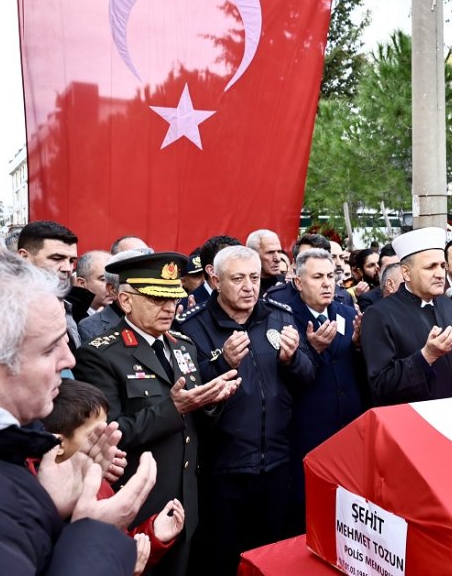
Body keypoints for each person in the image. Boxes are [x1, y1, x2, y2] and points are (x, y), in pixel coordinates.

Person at [0, 250, 154, 575]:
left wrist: (52, 508)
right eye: (49, 349)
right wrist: (95, 533)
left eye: (64, 342)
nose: (69, 361)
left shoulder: (11, 451)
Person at [73, 252, 241, 576]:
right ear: (125, 300)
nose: (169, 308)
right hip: (139, 505)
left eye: (174, 298)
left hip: (188, 497)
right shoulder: (100, 355)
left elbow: (194, 423)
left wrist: (210, 402)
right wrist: (176, 408)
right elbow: (109, 433)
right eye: (156, 298)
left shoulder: (183, 345)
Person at [175, 246, 314, 574]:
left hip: (276, 463)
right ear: (215, 279)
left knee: (270, 557)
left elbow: (307, 377)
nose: (249, 287)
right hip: (223, 469)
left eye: (254, 277)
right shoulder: (192, 327)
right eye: (238, 279)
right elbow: (188, 395)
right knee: (221, 559)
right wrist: (222, 362)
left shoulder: (279, 315)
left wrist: (292, 359)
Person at [41, 379, 186, 571]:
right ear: (59, 445)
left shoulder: (100, 486)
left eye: (107, 428)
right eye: (96, 434)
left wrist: (152, 536)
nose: (108, 439)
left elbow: (115, 544)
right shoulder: (38, 494)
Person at [360, 227, 452, 405]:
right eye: (430, 267)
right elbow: (381, 384)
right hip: (412, 421)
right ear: (406, 273)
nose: (439, 274)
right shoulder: (379, 314)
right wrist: (426, 356)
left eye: (442, 266)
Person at [287, 248, 367, 531]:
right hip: (307, 431)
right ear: (298, 282)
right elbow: (288, 377)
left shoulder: (345, 311)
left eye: (331, 276)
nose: (327, 283)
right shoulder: (285, 317)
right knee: (309, 512)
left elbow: (356, 368)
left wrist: (358, 345)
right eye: (317, 277)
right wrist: (313, 349)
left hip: (347, 429)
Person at [17, 220, 86, 349]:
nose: (68, 268)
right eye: (57, 258)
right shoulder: (1, 311)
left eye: (72, 261)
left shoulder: (66, 306)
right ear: (23, 257)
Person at [79, 248, 152, 342]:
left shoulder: (158, 319)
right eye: (136, 286)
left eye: (148, 285)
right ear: (112, 290)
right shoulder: (91, 328)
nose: (146, 292)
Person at [194, 235, 242, 305]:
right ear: (212, 271)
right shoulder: (187, 306)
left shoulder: (249, 299)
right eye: (232, 262)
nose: (241, 268)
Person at [246, 229, 285, 295]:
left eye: (279, 252)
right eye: (270, 252)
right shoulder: (245, 288)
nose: (278, 259)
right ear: (254, 254)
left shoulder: (287, 283)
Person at [76, 250, 113, 315]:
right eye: (103, 279)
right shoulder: (70, 318)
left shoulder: (129, 316)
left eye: (116, 279)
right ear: (82, 284)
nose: (114, 286)